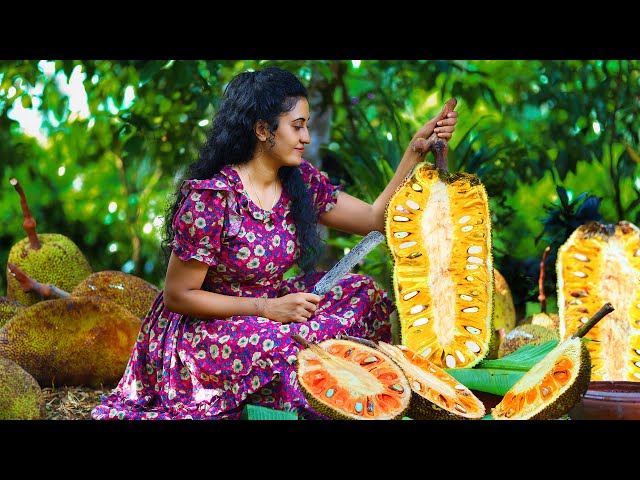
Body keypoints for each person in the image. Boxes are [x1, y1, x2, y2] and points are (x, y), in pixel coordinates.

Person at [91, 66, 458, 420]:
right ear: (263, 130)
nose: (306, 138)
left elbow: (373, 220)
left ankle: (349, 386)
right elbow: (178, 296)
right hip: (211, 325)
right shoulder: (211, 199)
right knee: (289, 345)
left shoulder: (299, 181)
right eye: (297, 127)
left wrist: (414, 152)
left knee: (364, 293)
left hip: (279, 306)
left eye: (307, 126)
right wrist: (266, 308)